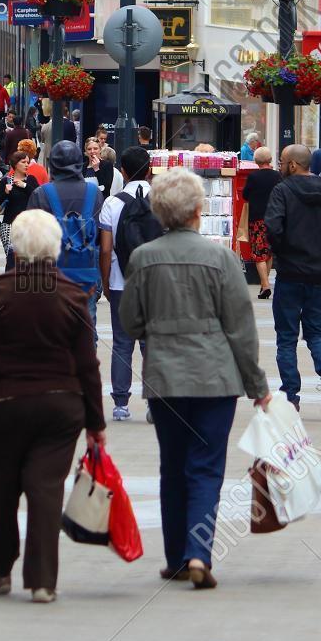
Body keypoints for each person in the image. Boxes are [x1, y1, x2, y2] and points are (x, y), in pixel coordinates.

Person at [121, 168, 271, 589]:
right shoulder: (221, 258)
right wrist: (257, 386)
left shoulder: (143, 258)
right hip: (215, 378)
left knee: (172, 467)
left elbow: (130, 322)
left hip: (165, 379)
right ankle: (199, 553)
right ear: (198, 211)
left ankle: (175, 559)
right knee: (206, 467)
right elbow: (241, 328)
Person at [0, 208, 103, 603]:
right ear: (56, 247)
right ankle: (42, 579)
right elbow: (87, 365)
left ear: (15, 248)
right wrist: (96, 422)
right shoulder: (72, 295)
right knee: (45, 488)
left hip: (2, 404)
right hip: (60, 406)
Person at [263, 144, 321, 416]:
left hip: (290, 273)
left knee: (286, 337)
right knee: (316, 333)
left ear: (292, 165)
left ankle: (290, 396)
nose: (279, 166)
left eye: (281, 162)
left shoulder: (282, 190)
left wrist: (283, 251)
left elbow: (272, 227)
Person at [99, 146, 155, 422]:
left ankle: (120, 404)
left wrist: (106, 281)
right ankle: (154, 402)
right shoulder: (162, 200)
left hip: (121, 282)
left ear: (122, 171)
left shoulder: (112, 203)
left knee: (122, 342)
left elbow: (105, 249)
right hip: (154, 283)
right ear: (150, 170)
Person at [28, 140, 101, 324]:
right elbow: (101, 238)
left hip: (50, 276)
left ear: (52, 164)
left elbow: (30, 241)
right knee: (86, 327)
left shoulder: (41, 193)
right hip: (86, 275)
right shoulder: (94, 193)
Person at [242, 146, 281, 299]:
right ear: (269, 159)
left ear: (256, 160)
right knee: (268, 252)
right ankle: (264, 284)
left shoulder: (253, 177)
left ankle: (265, 285)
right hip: (274, 218)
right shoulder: (277, 176)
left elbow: (245, 195)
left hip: (257, 219)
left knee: (259, 253)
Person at [0, 148, 40, 267]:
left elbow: (39, 196)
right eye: (23, 162)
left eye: (27, 162)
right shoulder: (5, 181)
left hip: (29, 227)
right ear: (15, 164)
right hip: (9, 226)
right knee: (12, 260)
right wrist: (5, 192)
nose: (27, 165)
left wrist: (25, 186)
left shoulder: (31, 180)